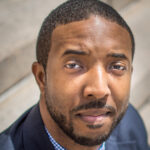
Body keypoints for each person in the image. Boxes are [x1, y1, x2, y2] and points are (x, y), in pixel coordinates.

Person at [0, 0, 149, 150]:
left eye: (117, 66)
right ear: (41, 77)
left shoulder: (130, 124)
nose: (99, 90)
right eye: (74, 65)